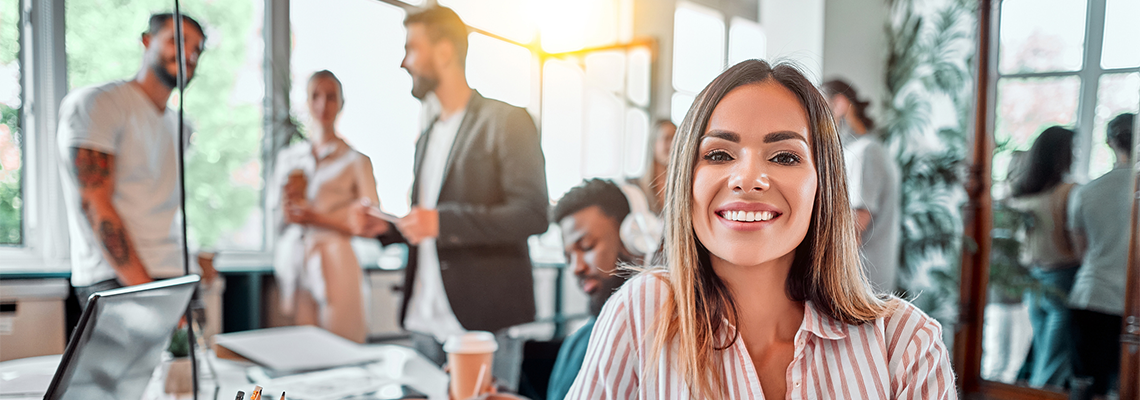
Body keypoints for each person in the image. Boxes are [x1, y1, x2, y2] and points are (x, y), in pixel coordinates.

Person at [565, 60, 955, 399]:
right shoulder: (640, 313)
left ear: (824, 184)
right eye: (718, 154)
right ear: (686, 180)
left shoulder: (905, 343)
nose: (748, 179)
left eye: (785, 156)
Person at [351, 6, 548, 391]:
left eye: (412, 48)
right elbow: (425, 224)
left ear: (444, 52)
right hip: (423, 323)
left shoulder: (507, 121)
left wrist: (442, 221)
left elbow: (532, 213)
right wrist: (388, 228)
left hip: (482, 323)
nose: (404, 62)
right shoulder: (426, 137)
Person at [57, 13, 214, 309]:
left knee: (193, 358)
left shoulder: (181, 126)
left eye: (197, 49)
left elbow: (158, 204)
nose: (189, 55)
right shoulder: (99, 104)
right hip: (119, 280)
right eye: (177, 40)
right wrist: (147, 292)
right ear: (147, 41)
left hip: (178, 276)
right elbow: (94, 203)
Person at [268, 70, 379, 343]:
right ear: (306, 101)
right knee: (299, 349)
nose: (322, 104)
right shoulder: (289, 159)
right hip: (296, 259)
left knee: (342, 345)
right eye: (315, 96)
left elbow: (373, 224)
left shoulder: (356, 161)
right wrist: (288, 210)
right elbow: (274, 219)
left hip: (337, 259)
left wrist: (316, 218)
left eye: (331, 97)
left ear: (341, 103)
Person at [547, 179, 637, 400]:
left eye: (586, 246)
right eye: (568, 257)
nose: (576, 267)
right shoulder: (578, 341)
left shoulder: (652, 340)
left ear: (630, 237)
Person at [1007, 126, 1080, 389]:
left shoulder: (1024, 192)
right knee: (1052, 358)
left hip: (1034, 277)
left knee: (1043, 352)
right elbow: (1075, 239)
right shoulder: (1068, 191)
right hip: (1062, 276)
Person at [1067, 113, 1135, 398]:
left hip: (1091, 295)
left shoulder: (1087, 192)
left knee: (1086, 384)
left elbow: (1080, 252)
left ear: (1110, 142)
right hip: (1131, 302)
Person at [822, 79, 901, 293]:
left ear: (839, 104)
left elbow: (854, 226)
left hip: (862, 282)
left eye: (821, 109)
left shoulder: (865, 152)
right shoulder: (859, 150)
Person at [637, 120, 676, 215]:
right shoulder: (638, 188)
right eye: (667, 138)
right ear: (653, 143)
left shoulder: (684, 184)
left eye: (675, 139)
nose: (672, 144)